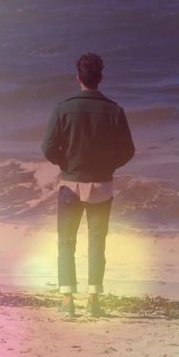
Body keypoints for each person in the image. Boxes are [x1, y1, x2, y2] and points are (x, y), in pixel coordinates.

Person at [41, 53, 135, 317]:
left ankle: (68, 301)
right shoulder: (115, 110)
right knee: (97, 243)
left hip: (71, 183)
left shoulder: (63, 109)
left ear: (78, 77)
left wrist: (66, 164)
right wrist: (108, 167)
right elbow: (128, 150)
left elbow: (48, 148)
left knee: (66, 242)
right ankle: (94, 301)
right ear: (100, 78)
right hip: (102, 185)